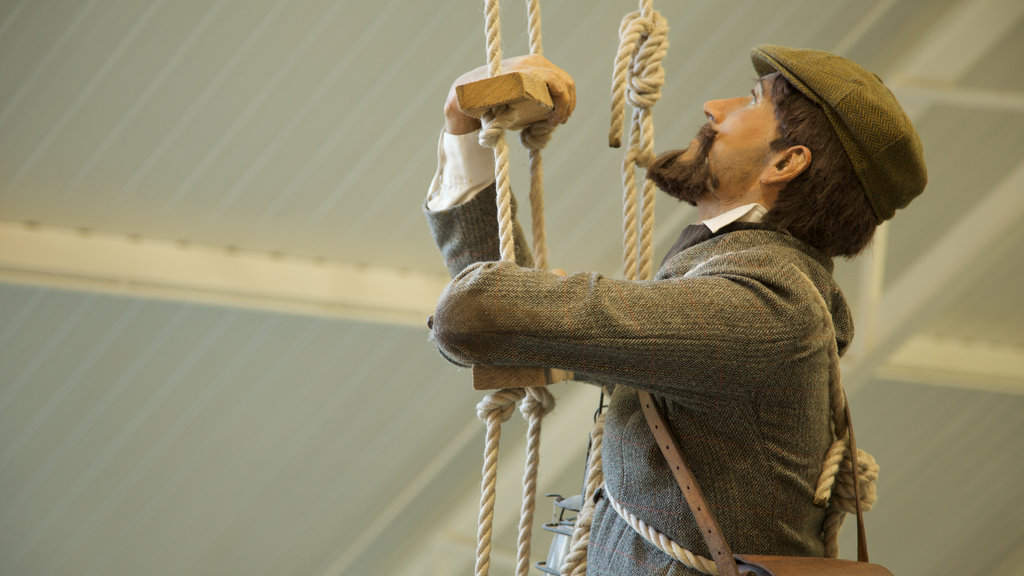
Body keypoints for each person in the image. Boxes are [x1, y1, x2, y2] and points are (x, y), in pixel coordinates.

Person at [424, 45, 926, 575]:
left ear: (786, 162)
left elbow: (475, 314)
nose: (713, 106)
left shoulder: (769, 305)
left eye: (751, 101)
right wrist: (463, 125)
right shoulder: (754, 291)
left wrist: (548, 299)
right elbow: (507, 324)